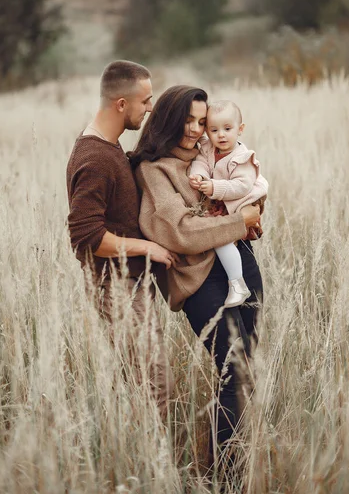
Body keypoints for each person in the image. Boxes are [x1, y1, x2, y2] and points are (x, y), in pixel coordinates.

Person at [129, 85, 263, 449]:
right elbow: (178, 230)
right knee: (233, 368)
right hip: (199, 281)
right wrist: (239, 222)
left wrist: (250, 214)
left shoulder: (207, 154)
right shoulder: (153, 169)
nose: (195, 129)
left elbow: (242, 192)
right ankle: (227, 477)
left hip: (239, 266)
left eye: (201, 121)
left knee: (246, 368)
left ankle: (237, 463)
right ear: (168, 119)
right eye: (187, 120)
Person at [66, 60, 176, 417]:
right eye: (146, 101)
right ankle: (160, 471)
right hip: (117, 287)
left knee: (144, 384)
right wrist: (149, 247)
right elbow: (85, 236)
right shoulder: (96, 157)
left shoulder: (109, 147)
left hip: (131, 283)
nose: (149, 109)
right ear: (121, 104)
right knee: (155, 388)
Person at [189, 100, 268, 308]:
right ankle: (234, 281)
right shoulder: (208, 148)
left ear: (240, 129)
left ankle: (237, 283)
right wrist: (198, 176)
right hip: (223, 205)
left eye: (227, 129)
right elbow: (201, 163)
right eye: (214, 130)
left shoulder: (242, 157)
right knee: (219, 236)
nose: (221, 135)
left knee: (221, 238)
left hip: (239, 203)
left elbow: (242, 186)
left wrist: (214, 187)